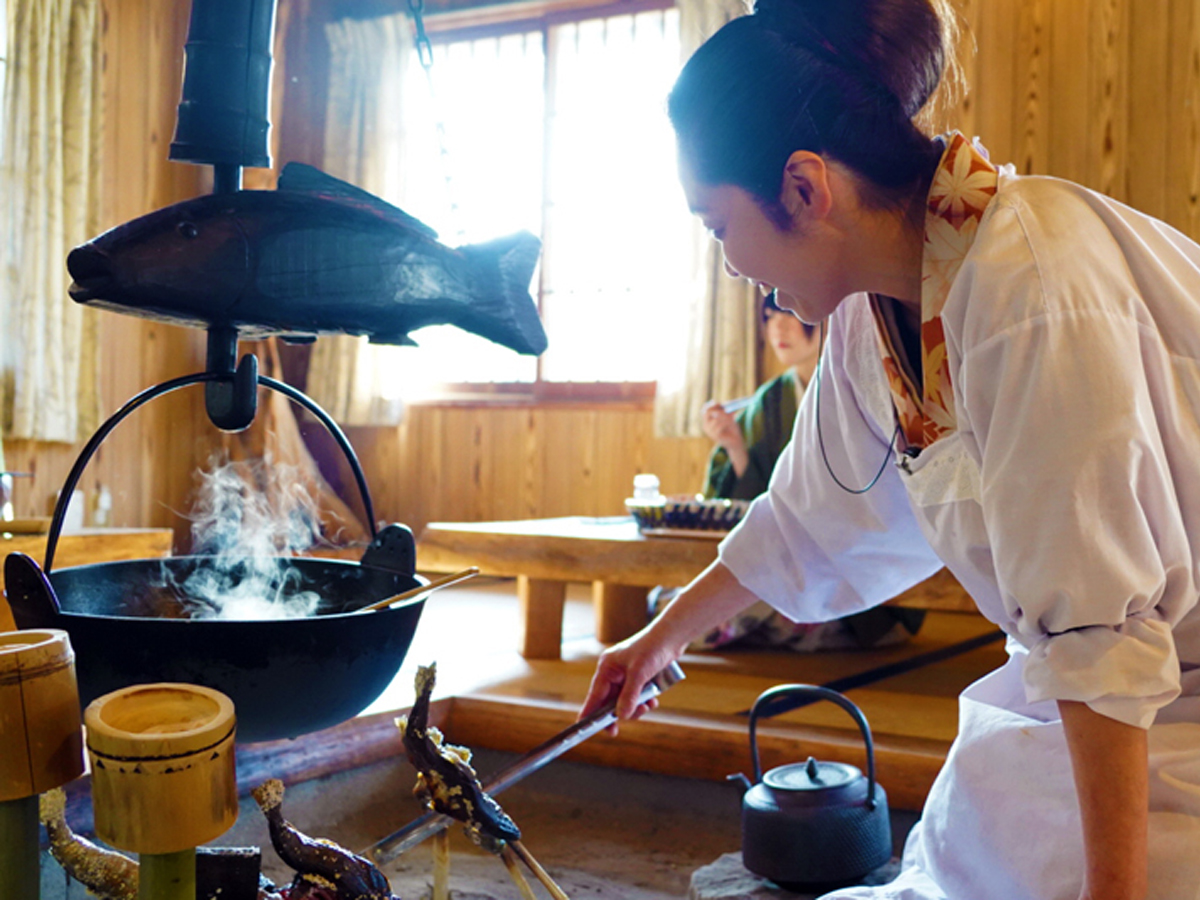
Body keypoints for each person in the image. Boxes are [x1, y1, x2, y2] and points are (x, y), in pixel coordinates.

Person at [580, 1, 1200, 898]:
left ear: (803, 188)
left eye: (718, 227)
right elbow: (808, 523)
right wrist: (657, 637)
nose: (731, 267)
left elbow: (1101, 636)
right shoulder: (876, 310)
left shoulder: (1032, 283)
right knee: (979, 839)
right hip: (1110, 685)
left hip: (1162, 689)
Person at [659, 291, 925, 652]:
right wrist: (735, 447)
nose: (778, 328)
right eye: (770, 317)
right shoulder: (769, 401)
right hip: (793, 552)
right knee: (665, 601)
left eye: (788, 314)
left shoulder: (859, 378)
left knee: (701, 617)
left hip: (854, 556)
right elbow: (751, 508)